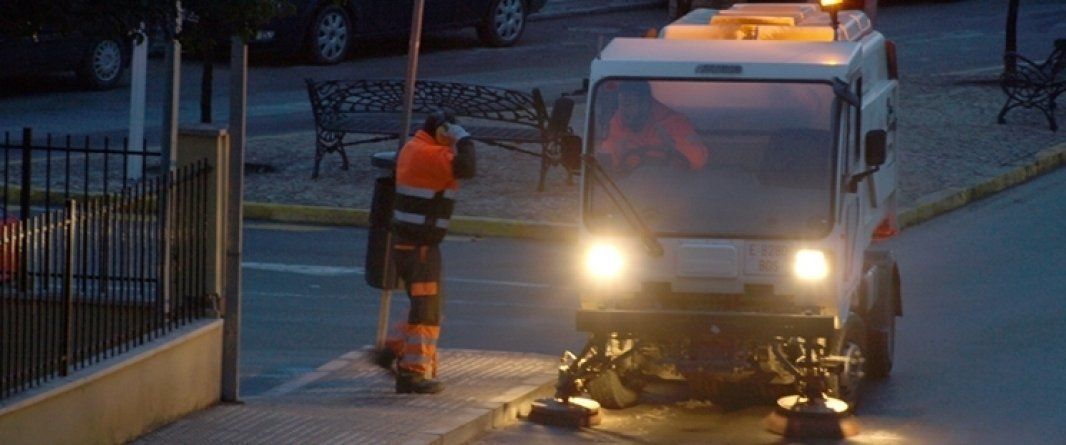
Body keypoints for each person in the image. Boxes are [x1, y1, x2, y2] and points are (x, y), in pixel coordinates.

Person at [372, 111, 476, 394]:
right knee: (427, 312)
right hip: (420, 249)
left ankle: (392, 351)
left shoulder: (413, 148)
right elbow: (467, 167)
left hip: (412, 245)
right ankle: (411, 374)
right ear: (442, 130)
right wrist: (463, 137)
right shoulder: (431, 155)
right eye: (449, 131)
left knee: (424, 304)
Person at [599, 81, 709, 173]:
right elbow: (605, 164)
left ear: (645, 104)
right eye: (621, 103)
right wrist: (617, 153)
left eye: (630, 103)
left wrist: (675, 146)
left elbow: (698, 160)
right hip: (627, 190)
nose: (623, 109)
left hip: (671, 185)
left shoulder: (675, 123)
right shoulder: (617, 122)